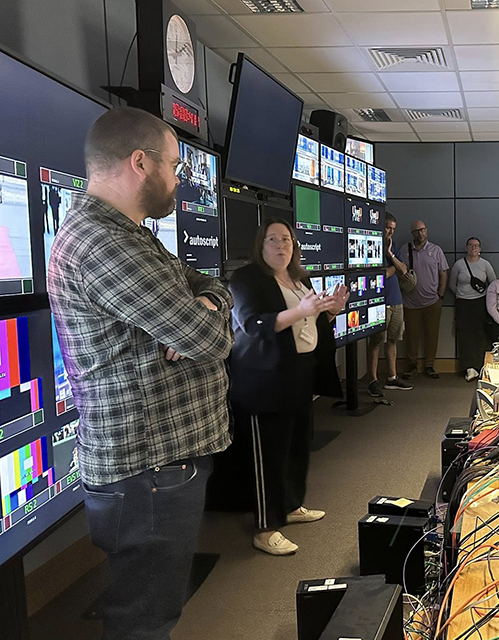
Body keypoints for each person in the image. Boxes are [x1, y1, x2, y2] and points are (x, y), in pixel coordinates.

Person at [46, 107, 234, 639]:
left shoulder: (129, 233)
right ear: (139, 162)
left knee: (153, 610)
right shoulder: (103, 243)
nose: (178, 178)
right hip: (146, 468)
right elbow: (211, 341)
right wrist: (208, 317)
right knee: (143, 622)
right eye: (174, 165)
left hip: (157, 464)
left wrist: (210, 302)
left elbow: (211, 284)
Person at [229, 219, 348, 555]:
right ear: (260, 245)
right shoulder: (246, 278)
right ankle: (266, 529)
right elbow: (253, 325)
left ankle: (292, 505)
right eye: (272, 240)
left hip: (298, 373)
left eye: (286, 239)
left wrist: (330, 312)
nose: (280, 246)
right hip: (263, 380)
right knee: (269, 453)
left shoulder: (299, 278)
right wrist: (301, 310)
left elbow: (308, 323)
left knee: (296, 445)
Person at [367, 213, 414, 396]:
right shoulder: (371, 244)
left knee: (393, 340)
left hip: (396, 300)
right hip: (380, 301)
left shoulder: (391, 245)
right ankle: (372, 380)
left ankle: (392, 378)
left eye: (393, 229)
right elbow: (381, 274)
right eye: (387, 228)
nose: (390, 232)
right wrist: (394, 266)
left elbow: (403, 270)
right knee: (377, 341)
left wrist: (390, 254)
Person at [399, 220, 448, 379]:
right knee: (411, 336)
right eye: (416, 231)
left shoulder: (436, 250)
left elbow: (443, 273)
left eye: (422, 230)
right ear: (412, 234)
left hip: (432, 302)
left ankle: (429, 365)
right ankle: (411, 366)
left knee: (432, 335)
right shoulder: (405, 250)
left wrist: (440, 294)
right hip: (410, 302)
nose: (420, 233)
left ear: (426, 231)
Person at [448, 237, 497, 382]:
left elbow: (493, 284)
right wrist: (462, 295)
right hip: (463, 303)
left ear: (480, 249)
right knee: (465, 335)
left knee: (480, 334)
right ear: (466, 247)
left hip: (480, 303)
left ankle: (480, 366)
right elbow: (452, 284)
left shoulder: (485, 264)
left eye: (476, 246)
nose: (473, 248)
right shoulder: (459, 265)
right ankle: (468, 367)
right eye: (470, 245)